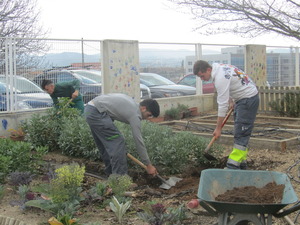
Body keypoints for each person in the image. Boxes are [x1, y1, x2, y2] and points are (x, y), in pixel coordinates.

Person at [193, 60, 259, 169]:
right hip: (242, 99)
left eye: (202, 76)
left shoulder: (220, 77)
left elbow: (222, 105)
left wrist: (218, 128)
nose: (202, 79)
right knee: (240, 131)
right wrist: (232, 101)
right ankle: (241, 163)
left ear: (208, 70)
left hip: (248, 100)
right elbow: (233, 84)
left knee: (241, 133)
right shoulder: (219, 68)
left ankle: (232, 166)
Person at [84, 93, 160, 176]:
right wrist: (148, 164)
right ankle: (120, 179)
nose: (147, 118)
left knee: (106, 143)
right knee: (118, 141)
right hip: (96, 112)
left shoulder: (132, 104)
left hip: (90, 109)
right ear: (143, 108)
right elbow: (138, 141)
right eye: (148, 115)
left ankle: (111, 174)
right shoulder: (135, 114)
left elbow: (111, 108)